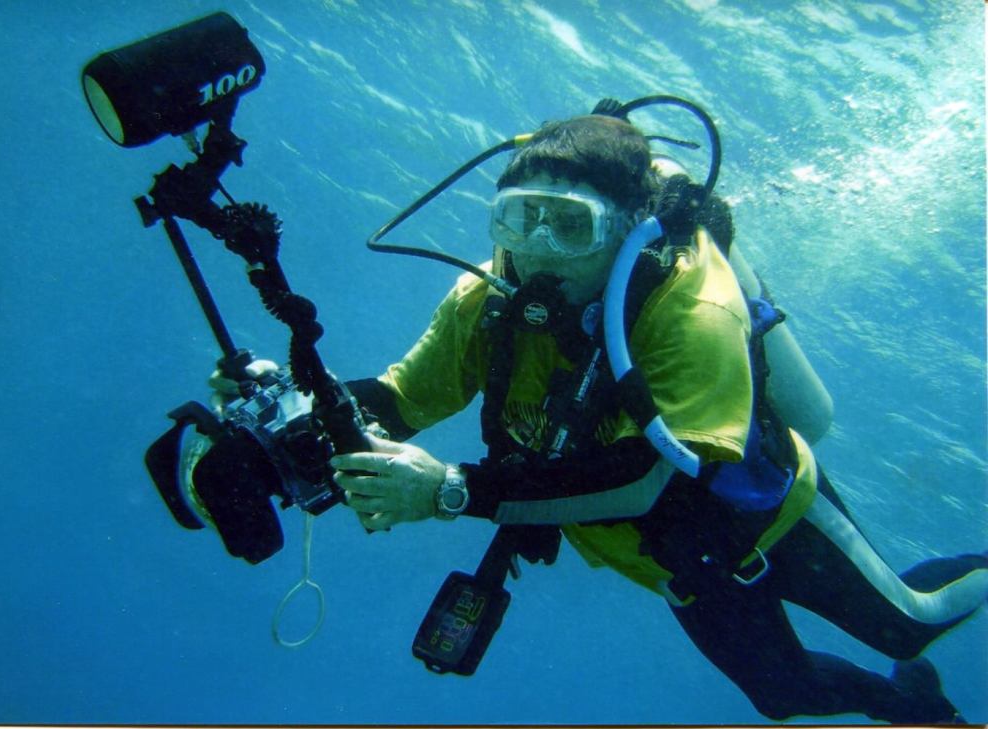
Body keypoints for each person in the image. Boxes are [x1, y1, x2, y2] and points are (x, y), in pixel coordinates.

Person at [315, 108, 988, 724]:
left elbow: (650, 479)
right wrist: (295, 422)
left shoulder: (694, 303)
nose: (541, 251)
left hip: (774, 519)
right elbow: (396, 401)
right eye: (522, 218)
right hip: (678, 565)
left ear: (627, 228)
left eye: (572, 223)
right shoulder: (485, 303)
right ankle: (915, 707)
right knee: (785, 697)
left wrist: (447, 489)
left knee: (908, 623)